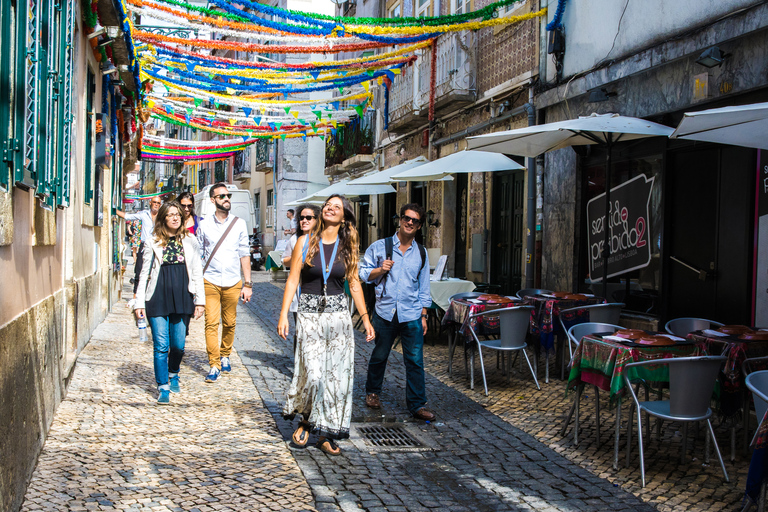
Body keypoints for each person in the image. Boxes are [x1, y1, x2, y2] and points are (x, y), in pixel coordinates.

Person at [277, 194, 375, 456]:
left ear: (344, 216)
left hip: (339, 317)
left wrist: (365, 318)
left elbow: (353, 282)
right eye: (327, 205)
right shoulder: (305, 241)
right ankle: (307, 419)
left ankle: (325, 432)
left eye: (337, 207)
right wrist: (284, 313)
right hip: (309, 315)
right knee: (315, 374)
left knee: (337, 378)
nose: (330, 208)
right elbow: (293, 280)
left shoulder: (348, 245)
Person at [359, 203, 436, 422]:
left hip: (411, 314)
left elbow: (423, 286)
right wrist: (380, 269)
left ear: (419, 226)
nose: (410, 222)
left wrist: (424, 315)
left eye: (415, 221)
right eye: (407, 218)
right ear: (400, 220)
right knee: (380, 355)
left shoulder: (421, 252)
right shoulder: (379, 246)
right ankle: (372, 392)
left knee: (415, 360)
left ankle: (417, 405)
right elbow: (363, 274)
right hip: (385, 312)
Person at [134, 201, 205, 404]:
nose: (175, 217)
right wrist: (139, 303)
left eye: (178, 215)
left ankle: (174, 371)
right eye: (170, 214)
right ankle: (162, 386)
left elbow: (197, 272)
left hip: (183, 296)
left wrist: (200, 301)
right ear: (163, 218)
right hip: (157, 297)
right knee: (161, 345)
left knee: (179, 345)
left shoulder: (190, 240)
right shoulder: (152, 242)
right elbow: (144, 274)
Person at [197, 183, 252, 383]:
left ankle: (225, 353)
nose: (226, 198)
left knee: (229, 322)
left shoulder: (239, 223)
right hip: (209, 280)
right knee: (211, 323)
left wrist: (248, 284)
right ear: (213, 200)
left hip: (232, 281)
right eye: (221, 196)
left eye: (228, 195)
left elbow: (244, 254)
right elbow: (199, 253)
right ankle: (214, 364)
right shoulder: (203, 225)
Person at [281, 203, 321, 350]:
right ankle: (300, 366)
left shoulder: (325, 240)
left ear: (318, 220)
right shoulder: (295, 239)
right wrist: (297, 259)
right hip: (300, 295)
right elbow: (284, 260)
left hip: (320, 295)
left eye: (309, 218)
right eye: (301, 218)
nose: (304, 221)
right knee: (302, 333)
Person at [117, 196, 163, 296]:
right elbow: (128, 216)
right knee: (139, 271)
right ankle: (135, 296)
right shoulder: (143, 214)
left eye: (158, 203)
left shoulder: (162, 216)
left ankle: (149, 297)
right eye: (154, 202)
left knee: (155, 272)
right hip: (145, 245)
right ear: (150, 203)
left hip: (157, 245)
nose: (156, 204)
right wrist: (113, 210)